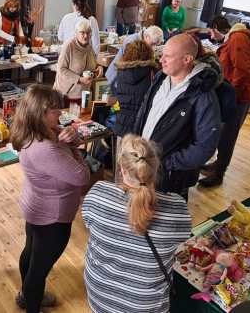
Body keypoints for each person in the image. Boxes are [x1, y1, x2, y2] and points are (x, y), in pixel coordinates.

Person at [82, 134, 192, 313]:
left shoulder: (97, 194)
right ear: (155, 169)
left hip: (100, 293)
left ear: (122, 170)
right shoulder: (176, 208)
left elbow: (88, 222)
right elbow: (182, 237)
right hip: (145, 304)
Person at [11, 85, 90, 312]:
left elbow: (63, 150)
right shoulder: (44, 148)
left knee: (31, 253)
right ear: (42, 112)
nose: (60, 115)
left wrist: (71, 138)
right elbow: (82, 176)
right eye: (56, 111)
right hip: (52, 215)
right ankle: (32, 305)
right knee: (39, 269)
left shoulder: (33, 130)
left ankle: (26, 296)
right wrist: (75, 149)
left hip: (36, 204)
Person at [134, 34, 222, 199]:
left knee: (162, 222)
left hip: (170, 179)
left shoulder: (203, 97)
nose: (161, 60)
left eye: (168, 56)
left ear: (187, 59)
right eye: (162, 55)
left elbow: (205, 147)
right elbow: (144, 111)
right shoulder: (161, 77)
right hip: (142, 165)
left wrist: (165, 163)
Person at [199, 21, 250, 187]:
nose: (211, 36)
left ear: (216, 28)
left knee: (227, 136)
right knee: (223, 133)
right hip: (234, 96)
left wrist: (232, 95)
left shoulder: (237, 38)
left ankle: (219, 173)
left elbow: (242, 70)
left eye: (211, 31)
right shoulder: (236, 38)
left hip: (237, 98)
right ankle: (218, 164)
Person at [110, 40, 159, 137]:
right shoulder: (152, 72)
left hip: (121, 123)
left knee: (122, 151)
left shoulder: (121, 72)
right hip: (142, 124)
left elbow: (115, 93)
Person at [54, 20, 101, 100]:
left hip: (84, 93)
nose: (86, 36)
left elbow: (92, 64)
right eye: (82, 32)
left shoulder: (89, 46)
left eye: (88, 32)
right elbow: (61, 69)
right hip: (67, 94)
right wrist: (79, 79)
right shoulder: (69, 46)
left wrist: (99, 67)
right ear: (76, 33)